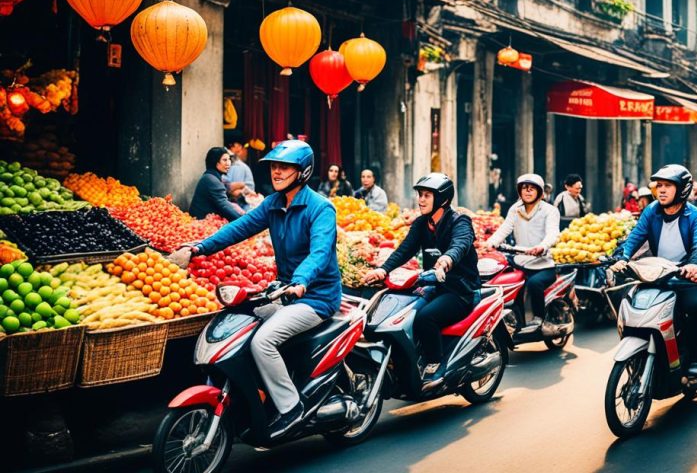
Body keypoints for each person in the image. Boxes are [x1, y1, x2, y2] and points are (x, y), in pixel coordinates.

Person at [169, 140, 341, 438]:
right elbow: (239, 227)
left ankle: (291, 409)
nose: (276, 172)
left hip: (315, 297)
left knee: (263, 341)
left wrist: (300, 281)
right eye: (274, 166)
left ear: (303, 171)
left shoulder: (320, 208)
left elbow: (320, 252)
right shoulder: (274, 204)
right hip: (284, 290)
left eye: (284, 167)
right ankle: (253, 395)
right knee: (238, 321)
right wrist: (198, 248)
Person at [364, 173, 480, 390]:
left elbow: (461, 243)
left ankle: (436, 364)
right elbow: (404, 250)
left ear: (443, 200)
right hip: (432, 285)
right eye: (420, 195)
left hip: (460, 290)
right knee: (398, 314)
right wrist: (382, 269)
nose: (421, 200)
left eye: (427, 195)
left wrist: (447, 259)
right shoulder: (421, 224)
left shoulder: (459, 221)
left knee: (425, 318)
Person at [610, 164, 697, 378]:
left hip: (685, 276)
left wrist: (694, 264)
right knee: (628, 299)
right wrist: (622, 258)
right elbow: (636, 237)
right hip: (656, 273)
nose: (661, 190)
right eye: (659, 185)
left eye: (668, 185)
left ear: (682, 189)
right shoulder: (651, 211)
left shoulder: (696, 216)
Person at [483, 174, 561, 327]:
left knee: (534, 284)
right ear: (519, 191)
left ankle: (539, 318)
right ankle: (517, 321)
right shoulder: (515, 209)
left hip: (543, 264)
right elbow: (504, 229)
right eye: (524, 188)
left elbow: (553, 233)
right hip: (519, 261)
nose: (528, 191)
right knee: (506, 284)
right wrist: (491, 242)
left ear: (539, 192)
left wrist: (542, 247)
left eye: (532, 189)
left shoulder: (550, 210)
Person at [188, 147, 244, 221]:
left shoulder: (210, 177)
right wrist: (243, 222)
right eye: (224, 160)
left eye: (229, 159)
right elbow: (224, 206)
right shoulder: (212, 180)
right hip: (201, 224)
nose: (228, 163)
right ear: (216, 163)